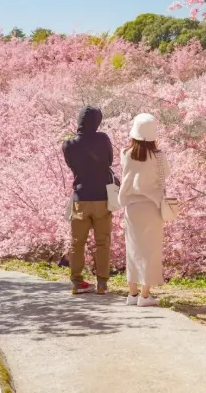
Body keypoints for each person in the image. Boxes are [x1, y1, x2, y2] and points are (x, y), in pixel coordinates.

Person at [62, 106, 114, 295]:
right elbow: (109, 161)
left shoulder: (69, 145)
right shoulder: (103, 139)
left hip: (80, 198)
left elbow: (72, 166)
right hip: (102, 198)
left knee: (77, 242)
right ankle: (102, 283)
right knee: (103, 242)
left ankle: (77, 282)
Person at [119, 113, 170, 307]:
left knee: (132, 249)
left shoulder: (126, 153)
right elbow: (167, 173)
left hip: (131, 208)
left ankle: (132, 293)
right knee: (150, 250)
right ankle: (145, 295)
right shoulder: (158, 157)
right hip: (152, 207)